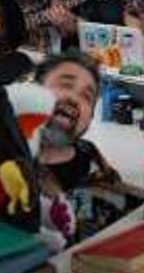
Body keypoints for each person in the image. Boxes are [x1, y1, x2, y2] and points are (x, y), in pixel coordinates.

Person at [33, 50, 121, 195]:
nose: (74, 99)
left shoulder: (89, 154)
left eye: (86, 96)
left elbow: (116, 196)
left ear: (91, 116)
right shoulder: (0, 157)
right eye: (65, 85)